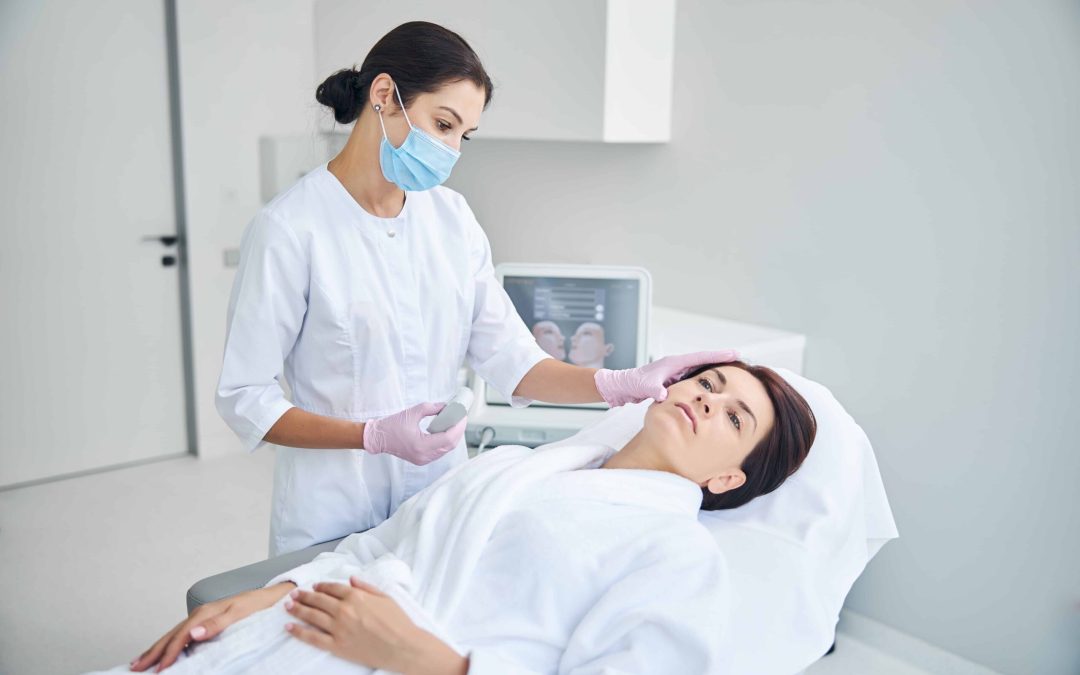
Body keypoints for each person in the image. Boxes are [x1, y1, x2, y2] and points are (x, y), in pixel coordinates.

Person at [214, 20, 733, 557]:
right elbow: (245, 398)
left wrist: (622, 382)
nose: (451, 149)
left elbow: (516, 362)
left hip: (441, 502)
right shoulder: (290, 229)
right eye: (443, 123)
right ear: (385, 95)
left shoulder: (452, 220)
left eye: (464, 135)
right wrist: (370, 436)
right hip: (332, 508)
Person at [124, 361, 817, 674]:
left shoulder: (680, 559)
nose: (706, 398)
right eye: (708, 382)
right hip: (306, 623)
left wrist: (426, 659)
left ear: (728, 478)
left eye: (734, 415)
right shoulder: (516, 462)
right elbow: (380, 543)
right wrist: (268, 595)